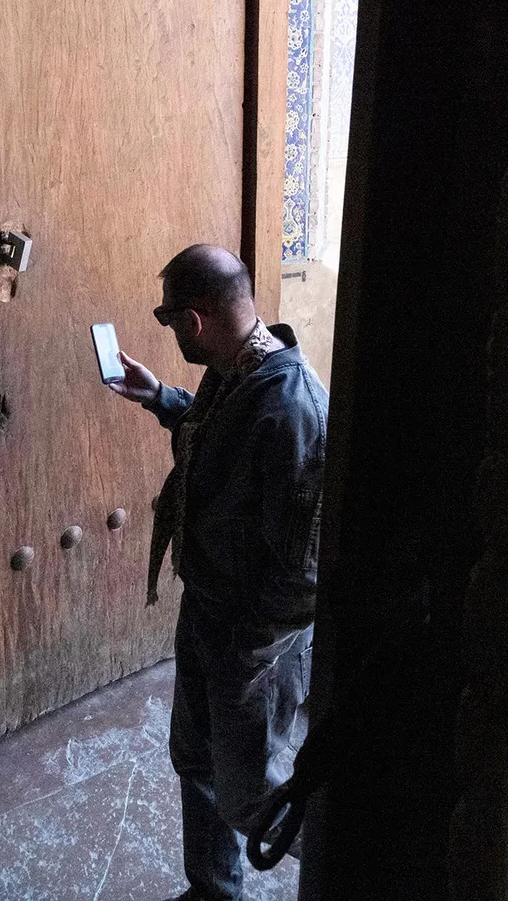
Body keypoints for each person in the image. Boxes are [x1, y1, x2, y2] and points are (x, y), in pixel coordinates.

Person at [107, 244, 327, 901]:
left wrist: (245, 651)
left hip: (251, 641)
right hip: (208, 611)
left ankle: (349, 869)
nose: (171, 331)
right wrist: (160, 398)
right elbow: (217, 435)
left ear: (195, 320)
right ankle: (213, 892)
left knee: (254, 798)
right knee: (197, 761)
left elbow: (305, 575)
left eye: (169, 318)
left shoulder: (291, 408)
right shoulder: (234, 370)